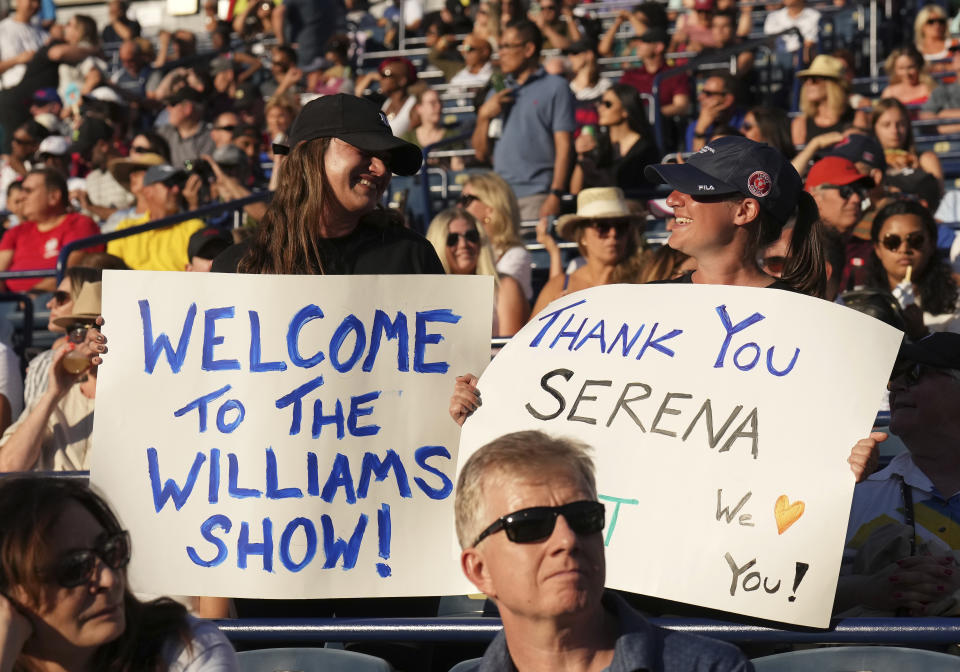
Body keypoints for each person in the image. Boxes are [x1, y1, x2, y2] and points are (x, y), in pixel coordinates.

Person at [453, 430, 753, 671]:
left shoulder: (711, 667)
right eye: (530, 525)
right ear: (479, 570)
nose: (567, 540)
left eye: (584, 517)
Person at [0, 477, 239, 670]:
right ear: (8, 595)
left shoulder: (186, 648)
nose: (109, 579)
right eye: (75, 568)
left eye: (111, 550)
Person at [212, 93, 443, 275]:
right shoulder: (239, 268)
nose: (382, 169)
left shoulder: (412, 257)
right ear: (308, 156)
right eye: (365, 150)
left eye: (386, 158)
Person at [836, 333, 960, 616]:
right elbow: (790, 595)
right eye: (894, 379)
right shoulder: (852, 494)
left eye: (915, 373)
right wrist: (865, 590)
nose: (896, 387)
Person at [644, 136, 827, 297]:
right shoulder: (646, 302)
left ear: (745, 211)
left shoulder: (800, 314)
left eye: (692, 188)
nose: (671, 200)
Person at [471, 20, 575, 220]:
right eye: (499, 47)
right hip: (499, 198)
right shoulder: (497, 90)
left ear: (529, 49)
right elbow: (481, 153)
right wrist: (484, 116)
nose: (500, 53)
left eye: (507, 47)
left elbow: (565, 146)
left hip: (538, 197)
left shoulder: (556, 87)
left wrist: (555, 193)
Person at [0, 282, 102, 471]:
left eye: (97, 330)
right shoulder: (52, 401)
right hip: (55, 499)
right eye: (77, 331)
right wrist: (53, 394)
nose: (87, 340)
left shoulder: (138, 403)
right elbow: (8, 467)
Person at [531, 186, 645, 316]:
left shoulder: (645, 279)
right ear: (582, 237)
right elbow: (529, 336)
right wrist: (552, 319)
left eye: (621, 226)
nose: (613, 233)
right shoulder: (559, 285)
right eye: (602, 227)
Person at [425, 207, 529, 337]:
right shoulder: (425, 293)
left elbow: (508, 352)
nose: (463, 244)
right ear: (438, 244)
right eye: (453, 239)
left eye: (471, 236)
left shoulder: (504, 287)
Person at [863, 199, 958, 338]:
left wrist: (922, 334)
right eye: (892, 242)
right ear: (878, 249)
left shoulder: (955, 305)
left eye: (916, 240)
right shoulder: (860, 301)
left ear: (931, 244)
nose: (904, 249)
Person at [0, 169, 101, 293]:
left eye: (28, 191)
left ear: (54, 196)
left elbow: (70, 273)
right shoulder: (15, 232)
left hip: (53, 301)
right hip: (12, 303)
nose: (21, 197)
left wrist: (29, 298)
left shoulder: (79, 224)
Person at [105, 164, 206, 271]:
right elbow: (111, 271)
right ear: (148, 191)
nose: (176, 190)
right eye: (169, 184)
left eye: (178, 184)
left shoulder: (193, 227)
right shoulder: (125, 228)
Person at [571, 84, 659, 194]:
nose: (600, 108)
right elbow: (575, 192)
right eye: (600, 103)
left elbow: (646, 191)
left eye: (607, 104)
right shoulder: (597, 144)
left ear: (625, 110)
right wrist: (581, 157)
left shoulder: (646, 149)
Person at [459, 172, 533, 301]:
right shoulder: (469, 248)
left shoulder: (516, 255)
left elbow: (493, 298)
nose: (459, 206)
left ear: (490, 207)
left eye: (466, 200)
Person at [791, 55, 868, 147]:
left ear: (832, 84)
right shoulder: (800, 123)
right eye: (805, 79)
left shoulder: (857, 117)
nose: (808, 83)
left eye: (814, 79)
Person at [618, 27, 691, 119]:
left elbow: (681, 106)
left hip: (663, 127)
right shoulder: (629, 75)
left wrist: (650, 113)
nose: (638, 45)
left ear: (658, 47)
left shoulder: (675, 74)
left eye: (644, 42)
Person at [872, 97, 943, 184]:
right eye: (886, 125)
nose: (895, 131)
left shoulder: (925, 161)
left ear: (908, 126)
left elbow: (938, 195)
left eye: (901, 124)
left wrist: (918, 173)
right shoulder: (868, 163)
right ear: (874, 128)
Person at [354, 56, 418, 137]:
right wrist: (370, 76)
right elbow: (358, 96)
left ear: (402, 81)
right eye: (380, 74)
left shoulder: (414, 106)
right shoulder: (383, 102)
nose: (381, 79)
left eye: (386, 75)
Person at [156, 86, 215, 169]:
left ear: (188, 108)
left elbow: (195, 166)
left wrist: (183, 166)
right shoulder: (164, 132)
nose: (168, 108)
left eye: (173, 104)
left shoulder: (211, 136)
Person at [686, 73, 745, 152]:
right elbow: (696, 162)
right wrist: (700, 131)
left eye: (708, 94)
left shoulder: (748, 124)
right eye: (702, 92)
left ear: (728, 100)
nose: (699, 97)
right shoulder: (695, 126)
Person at [0, 0, 45, 91]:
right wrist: (17, 60)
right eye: (31, 1)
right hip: (11, 91)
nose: (35, 5)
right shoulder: (3, 29)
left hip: (40, 93)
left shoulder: (43, 33)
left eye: (38, 2)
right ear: (18, 1)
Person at [763, 0, 819, 64]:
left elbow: (811, 41)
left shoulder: (815, 16)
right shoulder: (773, 17)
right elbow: (769, 41)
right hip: (780, 58)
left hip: (805, 58)